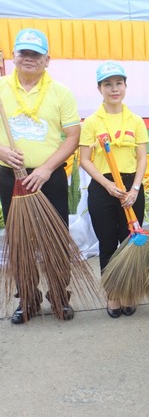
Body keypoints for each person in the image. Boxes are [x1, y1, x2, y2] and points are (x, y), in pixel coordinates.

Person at [0, 28, 80, 324]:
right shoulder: (1, 88)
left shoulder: (61, 93)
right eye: (23, 53)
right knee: (19, 239)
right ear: (14, 57)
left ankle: (60, 295)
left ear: (47, 59)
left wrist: (46, 169)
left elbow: (73, 136)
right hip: (11, 176)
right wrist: (1, 151)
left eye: (36, 54)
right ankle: (28, 299)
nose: (29, 58)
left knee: (56, 239)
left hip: (50, 178)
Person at [79, 61, 148, 318]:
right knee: (108, 243)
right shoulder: (92, 122)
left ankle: (129, 291)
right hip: (103, 188)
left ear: (125, 86)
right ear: (99, 88)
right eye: (108, 84)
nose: (114, 88)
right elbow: (84, 159)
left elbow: (142, 157)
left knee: (130, 243)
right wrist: (107, 184)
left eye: (118, 83)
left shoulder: (136, 120)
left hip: (131, 187)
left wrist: (135, 189)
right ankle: (113, 295)